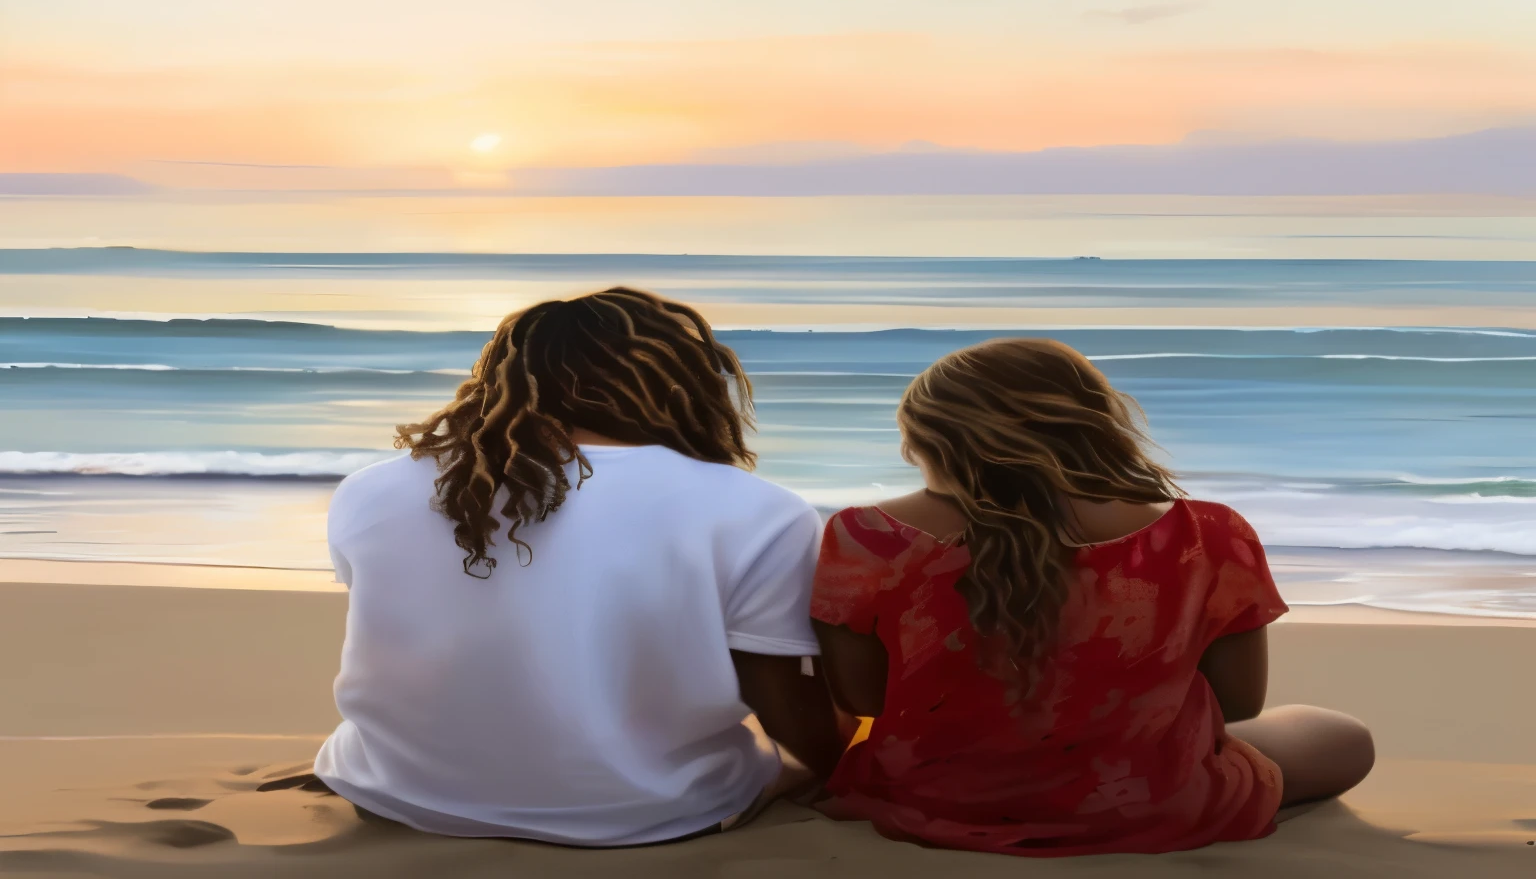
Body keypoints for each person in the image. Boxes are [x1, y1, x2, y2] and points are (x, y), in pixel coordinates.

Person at [312, 288, 844, 846]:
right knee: (813, 744)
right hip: (644, 811)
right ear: (684, 382)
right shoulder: (760, 511)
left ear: (498, 377)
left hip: (393, 791)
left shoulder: (369, 490)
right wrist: (834, 760)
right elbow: (778, 694)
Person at [809, 338, 1375, 856]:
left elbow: (862, 698)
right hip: (1141, 802)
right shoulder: (1209, 534)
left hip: (930, 801)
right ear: (1097, 426)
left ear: (929, 441)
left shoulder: (864, 536)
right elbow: (1241, 703)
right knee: (1342, 736)